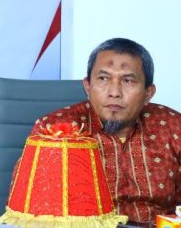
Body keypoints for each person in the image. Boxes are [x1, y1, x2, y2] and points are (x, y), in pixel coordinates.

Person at [24, 38, 181, 226]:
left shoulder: (173, 126)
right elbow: (32, 209)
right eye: (103, 78)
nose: (114, 92)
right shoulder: (54, 130)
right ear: (87, 86)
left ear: (148, 92)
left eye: (128, 80)